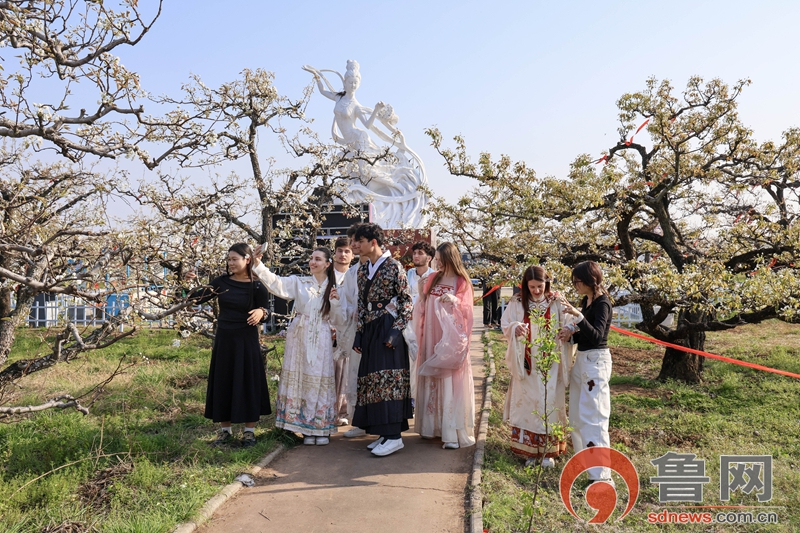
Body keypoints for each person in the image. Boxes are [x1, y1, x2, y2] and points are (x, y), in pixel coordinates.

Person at [302, 60, 427, 228]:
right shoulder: (338, 97)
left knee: (367, 172)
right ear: (345, 82)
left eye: (355, 82)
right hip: (349, 143)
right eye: (350, 82)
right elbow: (323, 91)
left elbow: (367, 125)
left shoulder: (356, 105)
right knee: (350, 173)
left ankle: (395, 189)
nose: (353, 85)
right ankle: (361, 199)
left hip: (359, 139)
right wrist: (316, 76)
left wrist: (375, 110)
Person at [252, 246, 345, 446]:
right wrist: (258, 264)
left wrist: (336, 303)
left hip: (321, 335)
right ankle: (302, 426)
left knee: (319, 377)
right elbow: (276, 283)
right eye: (312, 258)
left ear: (327, 264)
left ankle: (320, 426)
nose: (313, 262)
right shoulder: (300, 283)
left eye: (318, 259)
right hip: (299, 334)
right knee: (300, 376)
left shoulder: (335, 287)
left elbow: (339, 320)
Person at [189, 243, 271, 448]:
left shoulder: (257, 285)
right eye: (229, 259)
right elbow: (196, 300)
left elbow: (267, 311)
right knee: (223, 381)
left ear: (247, 260)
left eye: (235, 259)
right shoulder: (221, 282)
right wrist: (189, 284)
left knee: (248, 381)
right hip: (225, 339)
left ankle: (249, 432)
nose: (230, 263)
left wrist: (261, 312)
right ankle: (225, 431)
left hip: (247, 340)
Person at [500, 266, 582, 467]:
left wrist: (567, 330)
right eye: (532, 287)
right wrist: (514, 328)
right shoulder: (517, 301)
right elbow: (505, 323)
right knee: (528, 404)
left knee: (550, 401)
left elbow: (573, 320)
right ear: (525, 286)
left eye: (540, 286)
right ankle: (530, 451)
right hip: (526, 363)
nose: (536, 291)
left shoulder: (557, 300)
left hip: (552, 362)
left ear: (547, 284)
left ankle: (548, 453)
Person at [352, 223, 413, 456]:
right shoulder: (362, 270)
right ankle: (384, 433)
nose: (355, 245)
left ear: (373, 242)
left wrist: (396, 331)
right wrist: (359, 332)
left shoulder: (394, 266)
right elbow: (361, 303)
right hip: (370, 328)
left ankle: (394, 437)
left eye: (359, 241)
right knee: (372, 381)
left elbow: (406, 301)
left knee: (389, 380)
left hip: (388, 326)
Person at [413, 242, 476, 449]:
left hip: (450, 338)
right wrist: (421, 292)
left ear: (450, 259)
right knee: (432, 376)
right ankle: (431, 427)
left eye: (441, 259)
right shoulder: (433, 278)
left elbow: (468, 310)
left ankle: (451, 432)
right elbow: (423, 305)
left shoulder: (462, 281)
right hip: (431, 334)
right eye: (437, 260)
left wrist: (455, 301)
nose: (437, 263)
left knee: (449, 378)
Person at [557, 261, 614, 483]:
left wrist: (578, 317)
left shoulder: (603, 303)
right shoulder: (587, 301)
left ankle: (601, 475)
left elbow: (598, 336)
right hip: (582, 360)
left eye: (578, 281)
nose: (576, 285)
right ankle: (584, 463)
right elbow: (585, 335)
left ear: (591, 280)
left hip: (596, 362)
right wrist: (570, 335)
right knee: (577, 416)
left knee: (594, 416)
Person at [405, 241, 436, 403]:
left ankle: (427, 398)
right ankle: (412, 397)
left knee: (426, 357)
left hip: (428, 323)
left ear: (429, 258)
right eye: (415, 253)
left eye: (420, 253)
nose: (416, 256)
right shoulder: (408, 274)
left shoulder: (435, 276)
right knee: (411, 359)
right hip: (410, 323)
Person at [331, 236, 355, 426]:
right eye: (340, 250)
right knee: (329, 372)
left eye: (347, 251)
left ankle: (343, 411)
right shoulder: (326, 274)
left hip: (348, 329)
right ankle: (327, 412)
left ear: (353, 255)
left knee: (347, 372)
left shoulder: (355, 276)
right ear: (334, 253)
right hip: (327, 329)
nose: (343, 254)